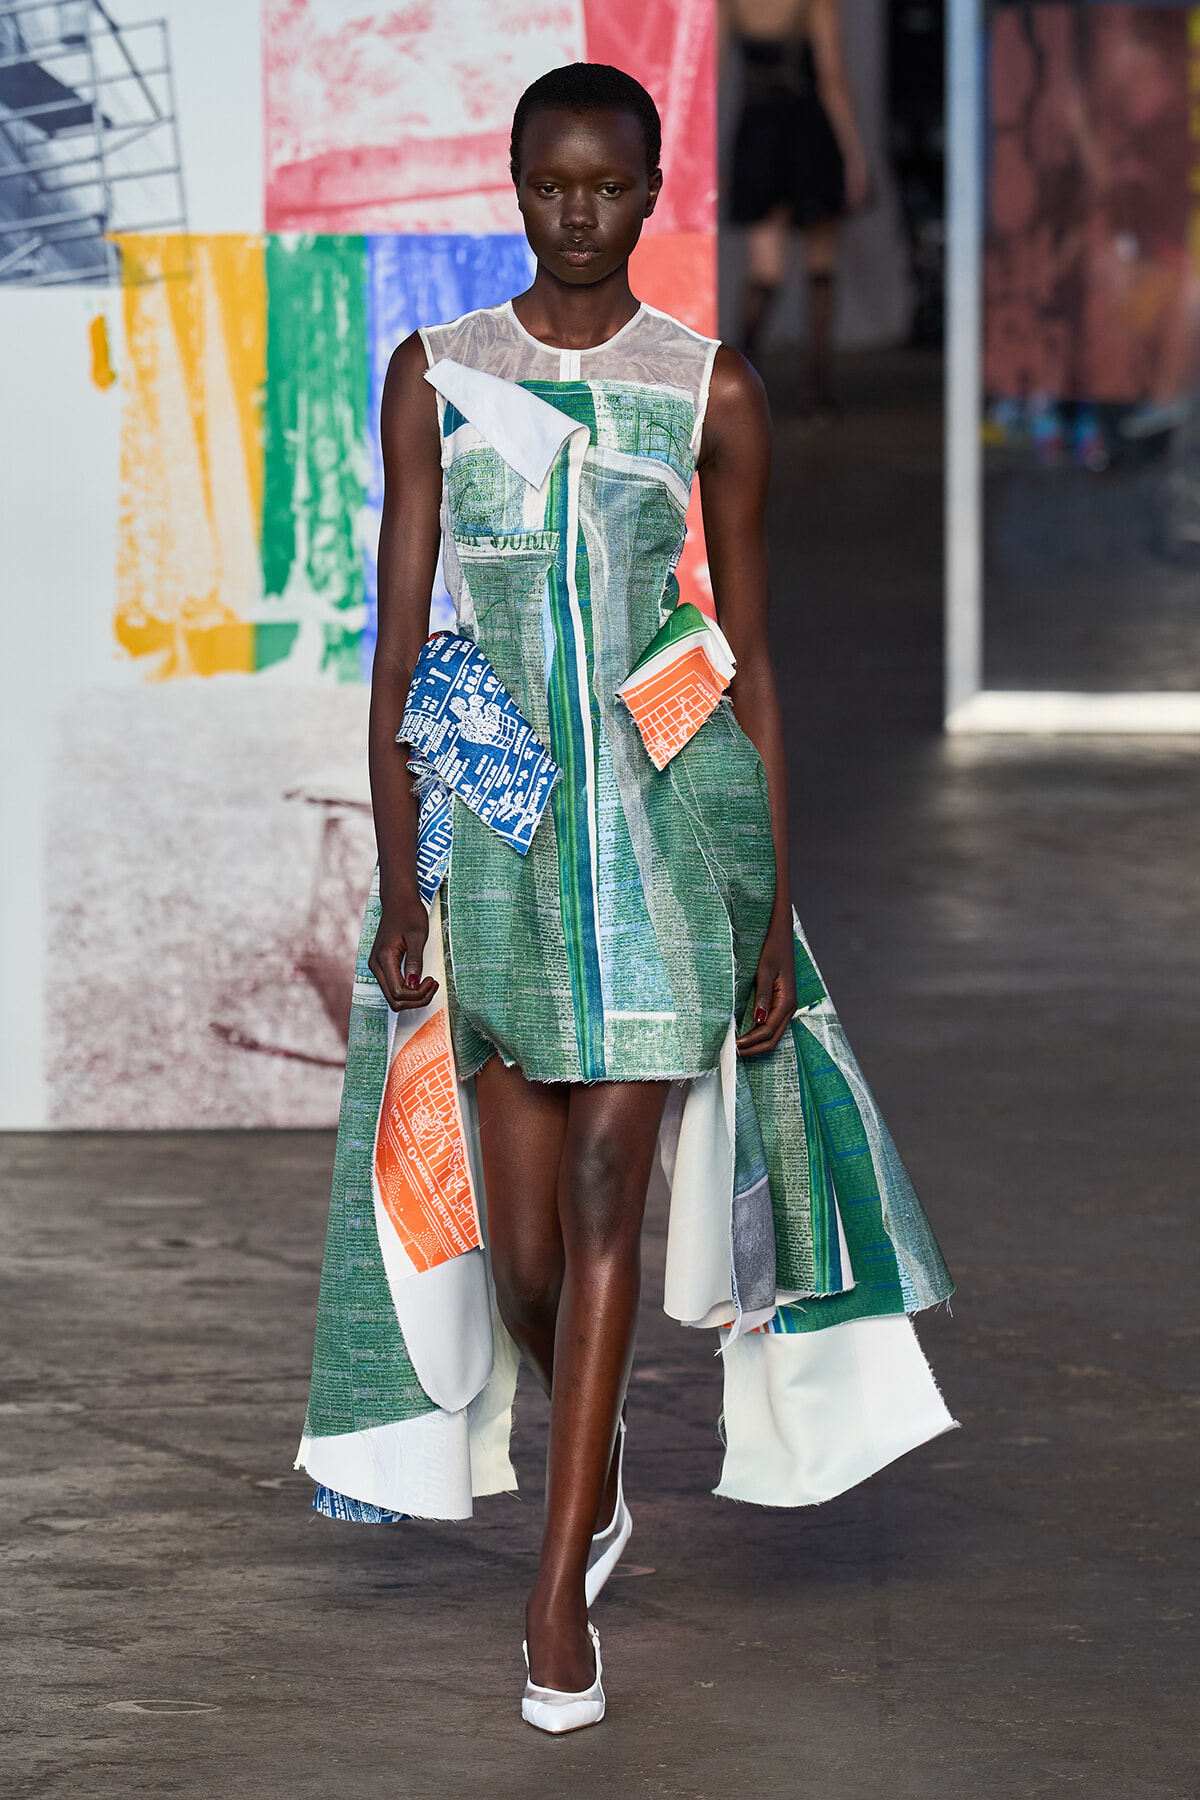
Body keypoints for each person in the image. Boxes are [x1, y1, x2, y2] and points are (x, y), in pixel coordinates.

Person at [297, 62, 954, 1735]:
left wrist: (769, 904)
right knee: (524, 1254)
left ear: (650, 191)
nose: (576, 211)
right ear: (514, 187)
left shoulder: (706, 389)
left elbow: (743, 668)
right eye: (548, 183)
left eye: (606, 185)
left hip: (663, 846)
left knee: (606, 1198)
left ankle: (552, 1606)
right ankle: (589, 1491)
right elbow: (399, 654)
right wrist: (397, 882)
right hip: (505, 856)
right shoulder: (434, 377)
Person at [723, 0, 870, 411]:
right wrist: (855, 158)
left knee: (764, 272)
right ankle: (816, 392)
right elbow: (832, 78)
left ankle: (734, 390)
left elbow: (709, 76)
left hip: (756, 134)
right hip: (808, 132)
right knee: (820, 266)